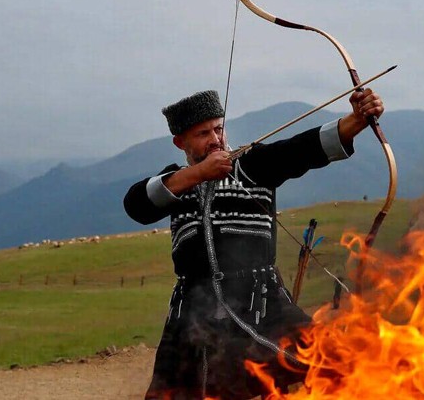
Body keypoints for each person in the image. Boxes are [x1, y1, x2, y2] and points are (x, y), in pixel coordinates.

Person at [123, 88, 384, 399]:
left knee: (330, 360)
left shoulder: (252, 164)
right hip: (193, 311)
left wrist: (356, 120)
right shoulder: (174, 183)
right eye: (203, 133)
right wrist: (197, 174)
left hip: (262, 302)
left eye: (219, 128)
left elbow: (302, 150)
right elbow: (136, 204)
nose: (215, 139)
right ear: (181, 142)